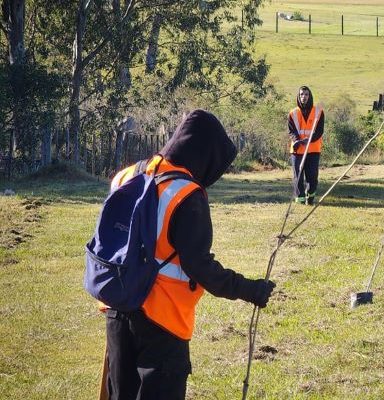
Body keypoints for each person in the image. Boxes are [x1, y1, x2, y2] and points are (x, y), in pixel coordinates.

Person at [104, 110, 275, 400]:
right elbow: (199, 267)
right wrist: (250, 289)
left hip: (116, 307)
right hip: (163, 320)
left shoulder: (126, 176)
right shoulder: (186, 194)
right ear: (205, 155)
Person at [288, 85, 324, 205]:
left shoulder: (319, 112)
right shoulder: (292, 113)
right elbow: (291, 131)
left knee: (312, 176)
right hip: (297, 150)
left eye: (306, 94)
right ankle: (300, 199)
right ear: (298, 96)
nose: (304, 97)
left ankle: (311, 196)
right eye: (301, 94)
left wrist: (309, 140)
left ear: (310, 96)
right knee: (298, 176)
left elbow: (319, 131)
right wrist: (297, 140)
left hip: (313, 149)